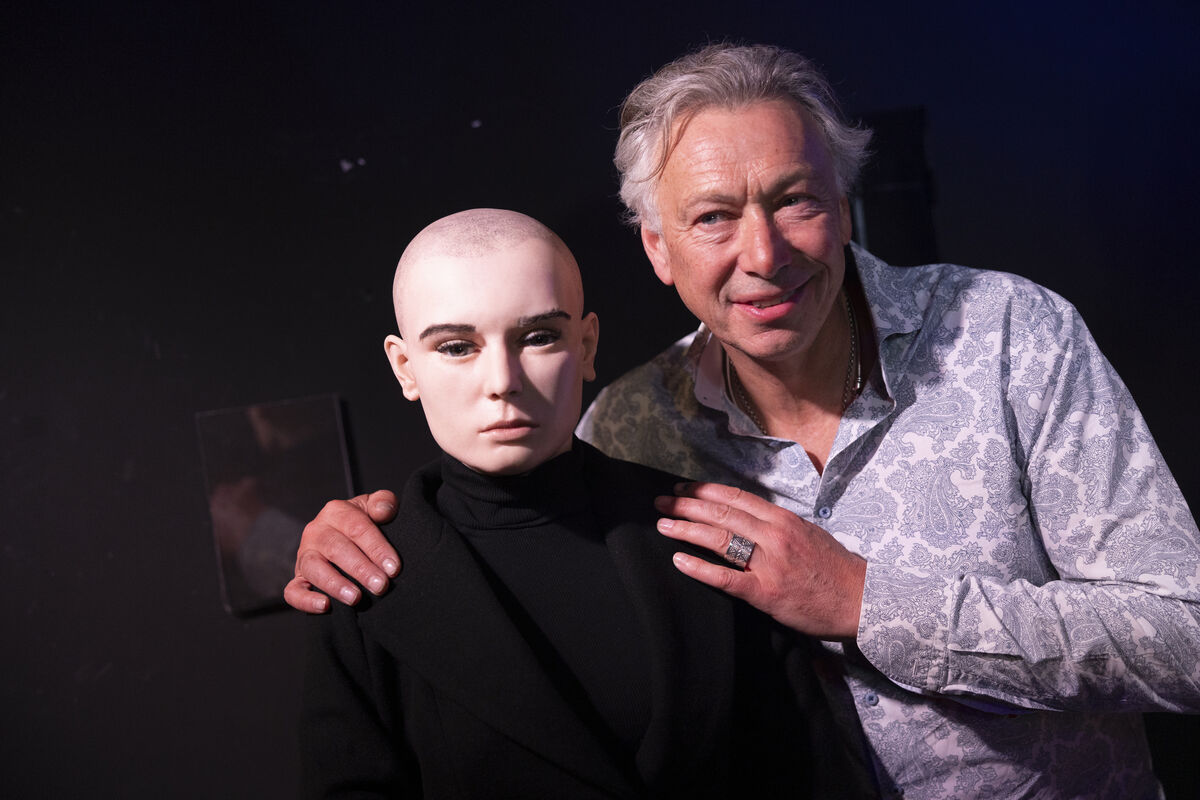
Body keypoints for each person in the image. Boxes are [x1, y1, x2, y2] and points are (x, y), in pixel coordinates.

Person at [288, 46, 1200, 799]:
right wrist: (363, 540)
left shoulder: (1009, 336)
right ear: (657, 248)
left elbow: (1186, 638)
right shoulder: (628, 427)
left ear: (842, 208)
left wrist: (864, 602)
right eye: (713, 217)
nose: (763, 256)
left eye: (796, 200)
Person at [299, 208, 871, 798]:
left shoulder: (703, 533)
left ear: (587, 343)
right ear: (404, 367)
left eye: (538, 336)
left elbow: (808, 772)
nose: (502, 379)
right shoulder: (361, 582)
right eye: (455, 346)